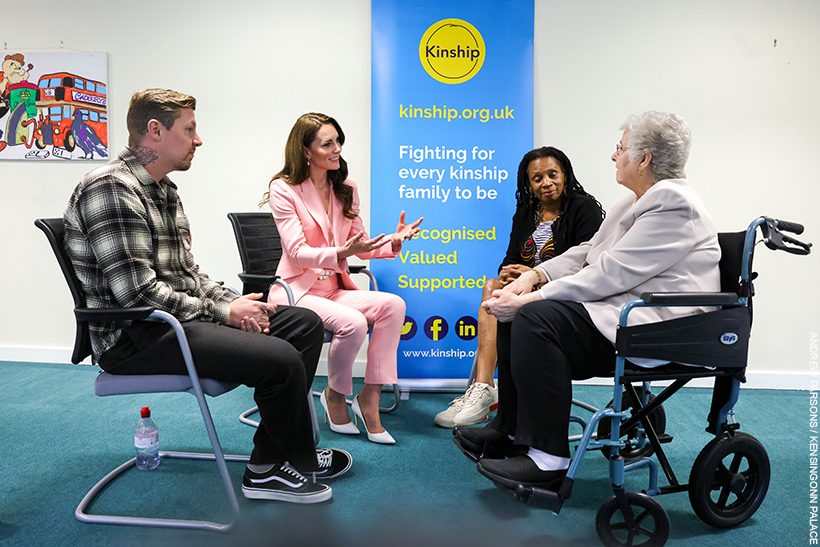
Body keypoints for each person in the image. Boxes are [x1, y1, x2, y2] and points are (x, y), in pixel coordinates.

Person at [64, 89, 351, 505]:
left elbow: (187, 274)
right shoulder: (111, 189)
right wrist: (223, 311)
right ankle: (285, 463)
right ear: (155, 131)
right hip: (136, 335)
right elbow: (136, 294)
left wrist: (234, 302)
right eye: (190, 129)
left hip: (175, 320)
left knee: (302, 324)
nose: (198, 139)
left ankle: (272, 462)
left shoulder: (164, 190)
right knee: (281, 359)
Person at [454, 111, 720, 490]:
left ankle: (549, 460)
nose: (615, 156)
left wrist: (533, 298)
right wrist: (534, 275)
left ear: (643, 159)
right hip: (621, 312)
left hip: (655, 327)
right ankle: (510, 430)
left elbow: (610, 273)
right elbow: (588, 251)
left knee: (535, 317)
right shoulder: (634, 201)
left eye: (621, 148)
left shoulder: (674, 205)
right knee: (523, 313)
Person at [265, 112, 422, 445]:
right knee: (352, 322)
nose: (337, 149)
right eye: (327, 143)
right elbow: (296, 252)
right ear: (306, 151)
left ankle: (370, 397)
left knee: (394, 305)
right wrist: (339, 253)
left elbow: (360, 248)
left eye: (338, 141)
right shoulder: (284, 189)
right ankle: (335, 396)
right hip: (297, 292)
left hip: (333, 289)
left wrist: (391, 242)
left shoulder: (345, 187)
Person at [434, 147, 604, 428]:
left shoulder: (583, 209)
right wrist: (510, 274)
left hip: (565, 294)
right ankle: (485, 388)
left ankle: (488, 389)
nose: (546, 183)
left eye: (552, 175)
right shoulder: (526, 212)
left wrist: (536, 275)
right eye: (537, 178)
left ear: (565, 175)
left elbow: (587, 265)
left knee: (498, 294)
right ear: (528, 184)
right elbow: (510, 259)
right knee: (493, 286)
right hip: (524, 290)